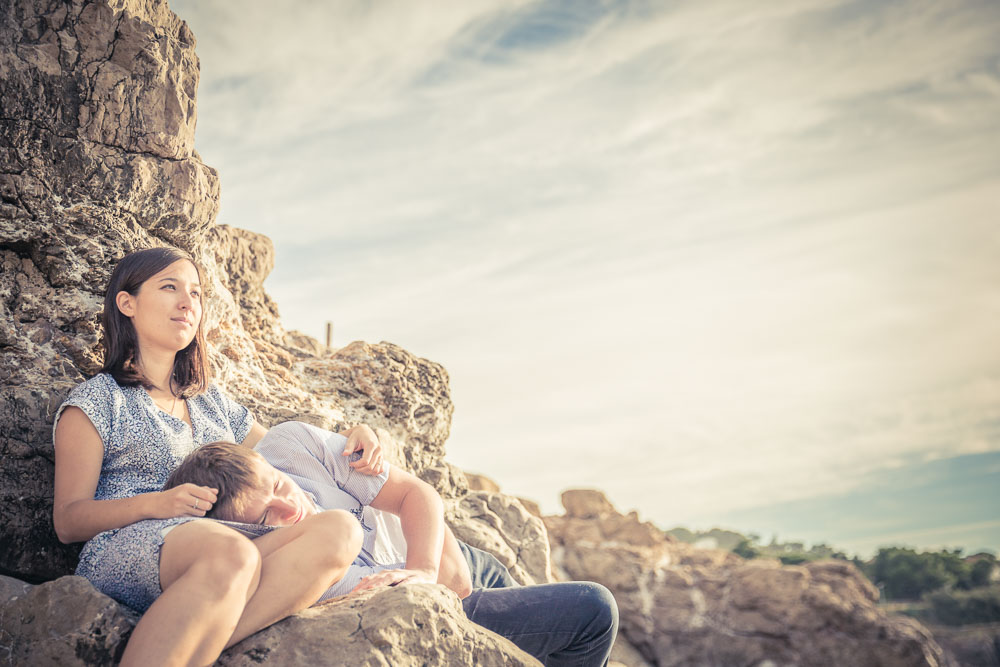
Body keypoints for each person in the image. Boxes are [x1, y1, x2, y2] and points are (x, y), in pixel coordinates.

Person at [51, 247, 391, 666]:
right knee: (232, 553)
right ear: (127, 303)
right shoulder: (97, 402)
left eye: (196, 293)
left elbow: (282, 458)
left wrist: (349, 436)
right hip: (138, 545)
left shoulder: (211, 401)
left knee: (339, 530)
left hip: (234, 542)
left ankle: (201, 643)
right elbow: (68, 521)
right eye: (170, 288)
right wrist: (155, 504)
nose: (187, 303)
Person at [164, 421, 620, 666]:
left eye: (280, 487)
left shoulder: (289, 445)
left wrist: (425, 567)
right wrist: (431, 585)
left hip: (453, 554)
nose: (291, 510)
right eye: (267, 517)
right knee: (594, 611)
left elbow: (416, 493)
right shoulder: (289, 565)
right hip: (454, 606)